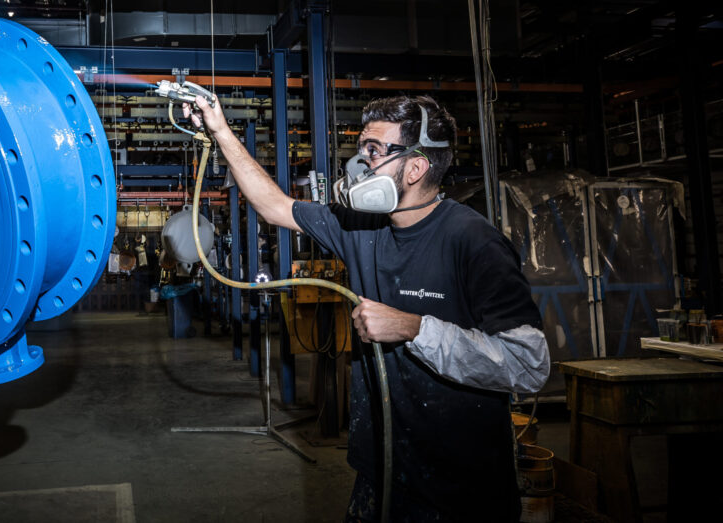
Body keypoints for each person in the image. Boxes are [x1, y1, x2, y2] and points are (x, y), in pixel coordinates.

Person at [184, 93, 550, 522]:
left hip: (461, 481)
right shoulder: (361, 226)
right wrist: (220, 131)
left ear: (415, 167)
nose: (360, 165)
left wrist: (415, 328)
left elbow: (529, 364)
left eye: (375, 152)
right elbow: (274, 206)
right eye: (360, 150)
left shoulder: (473, 241)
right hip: (382, 466)